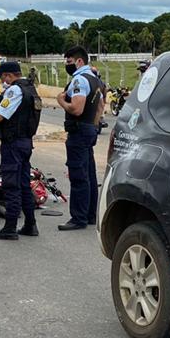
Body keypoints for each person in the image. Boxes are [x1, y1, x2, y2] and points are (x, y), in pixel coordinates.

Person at [0, 61, 40, 240]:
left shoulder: (15, 90)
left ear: (8, 75)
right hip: (26, 143)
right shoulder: (31, 89)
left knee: (11, 185)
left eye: (2, 77)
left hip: (13, 144)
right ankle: (30, 224)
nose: (2, 81)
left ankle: (10, 227)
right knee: (23, 185)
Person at [55, 45, 106, 231]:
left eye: (69, 62)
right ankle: (90, 214)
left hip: (78, 131)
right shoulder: (95, 80)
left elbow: (77, 108)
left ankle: (78, 218)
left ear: (79, 61)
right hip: (89, 130)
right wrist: (93, 126)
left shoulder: (79, 80)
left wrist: (61, 101)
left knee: (78, 175)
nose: (67, 66)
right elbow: (101, 108)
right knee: (89, 174)